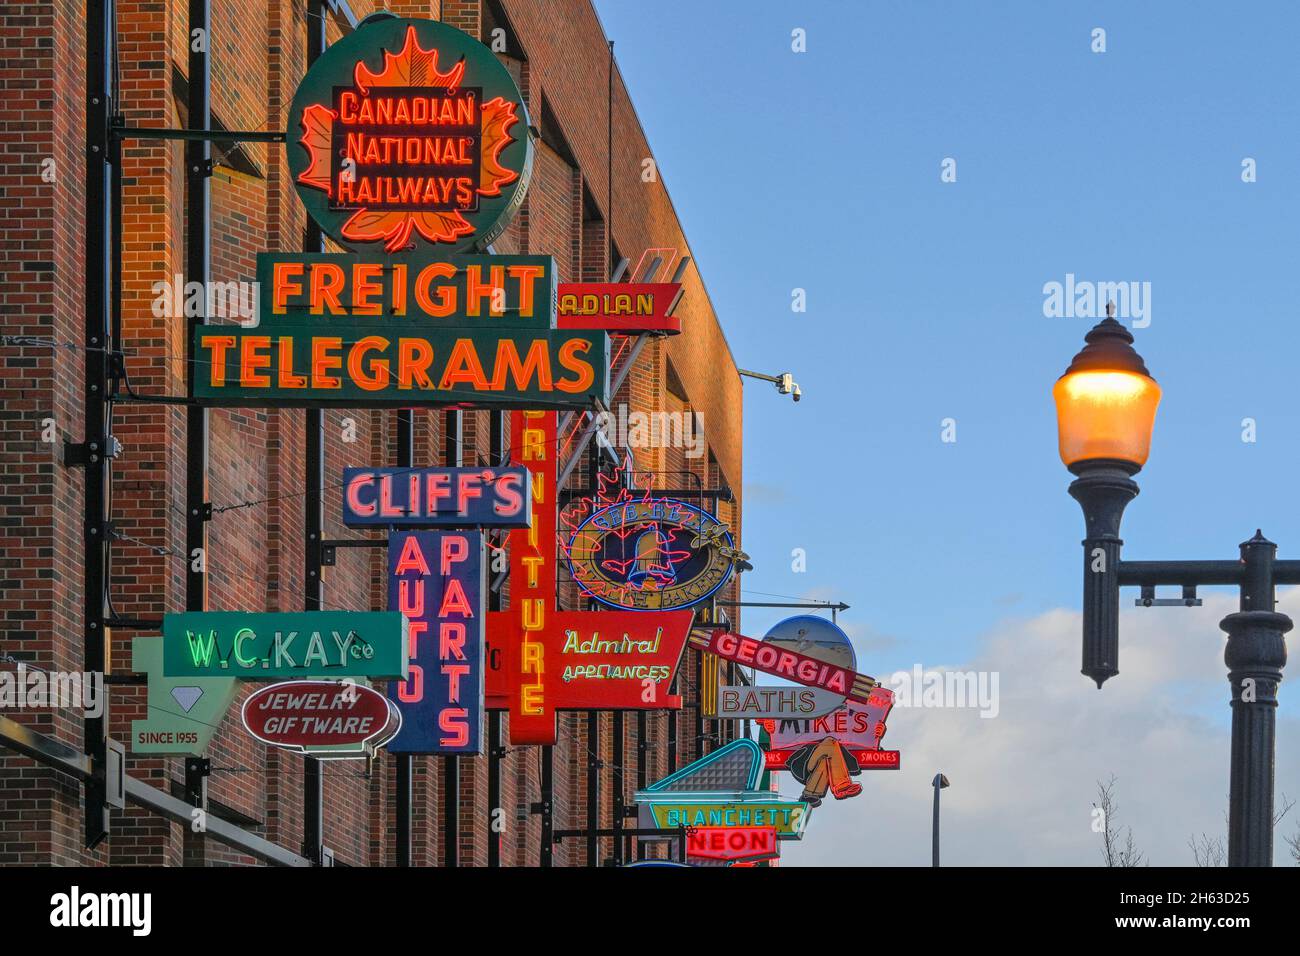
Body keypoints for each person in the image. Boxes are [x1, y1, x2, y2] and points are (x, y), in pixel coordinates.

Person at [787, 736, 862, 807]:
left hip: (814, 771)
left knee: (825, 761)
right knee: (830, 741)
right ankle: (841, 786)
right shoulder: (818, 744)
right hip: (802, 767)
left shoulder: (831, 747)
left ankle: (810, 794)